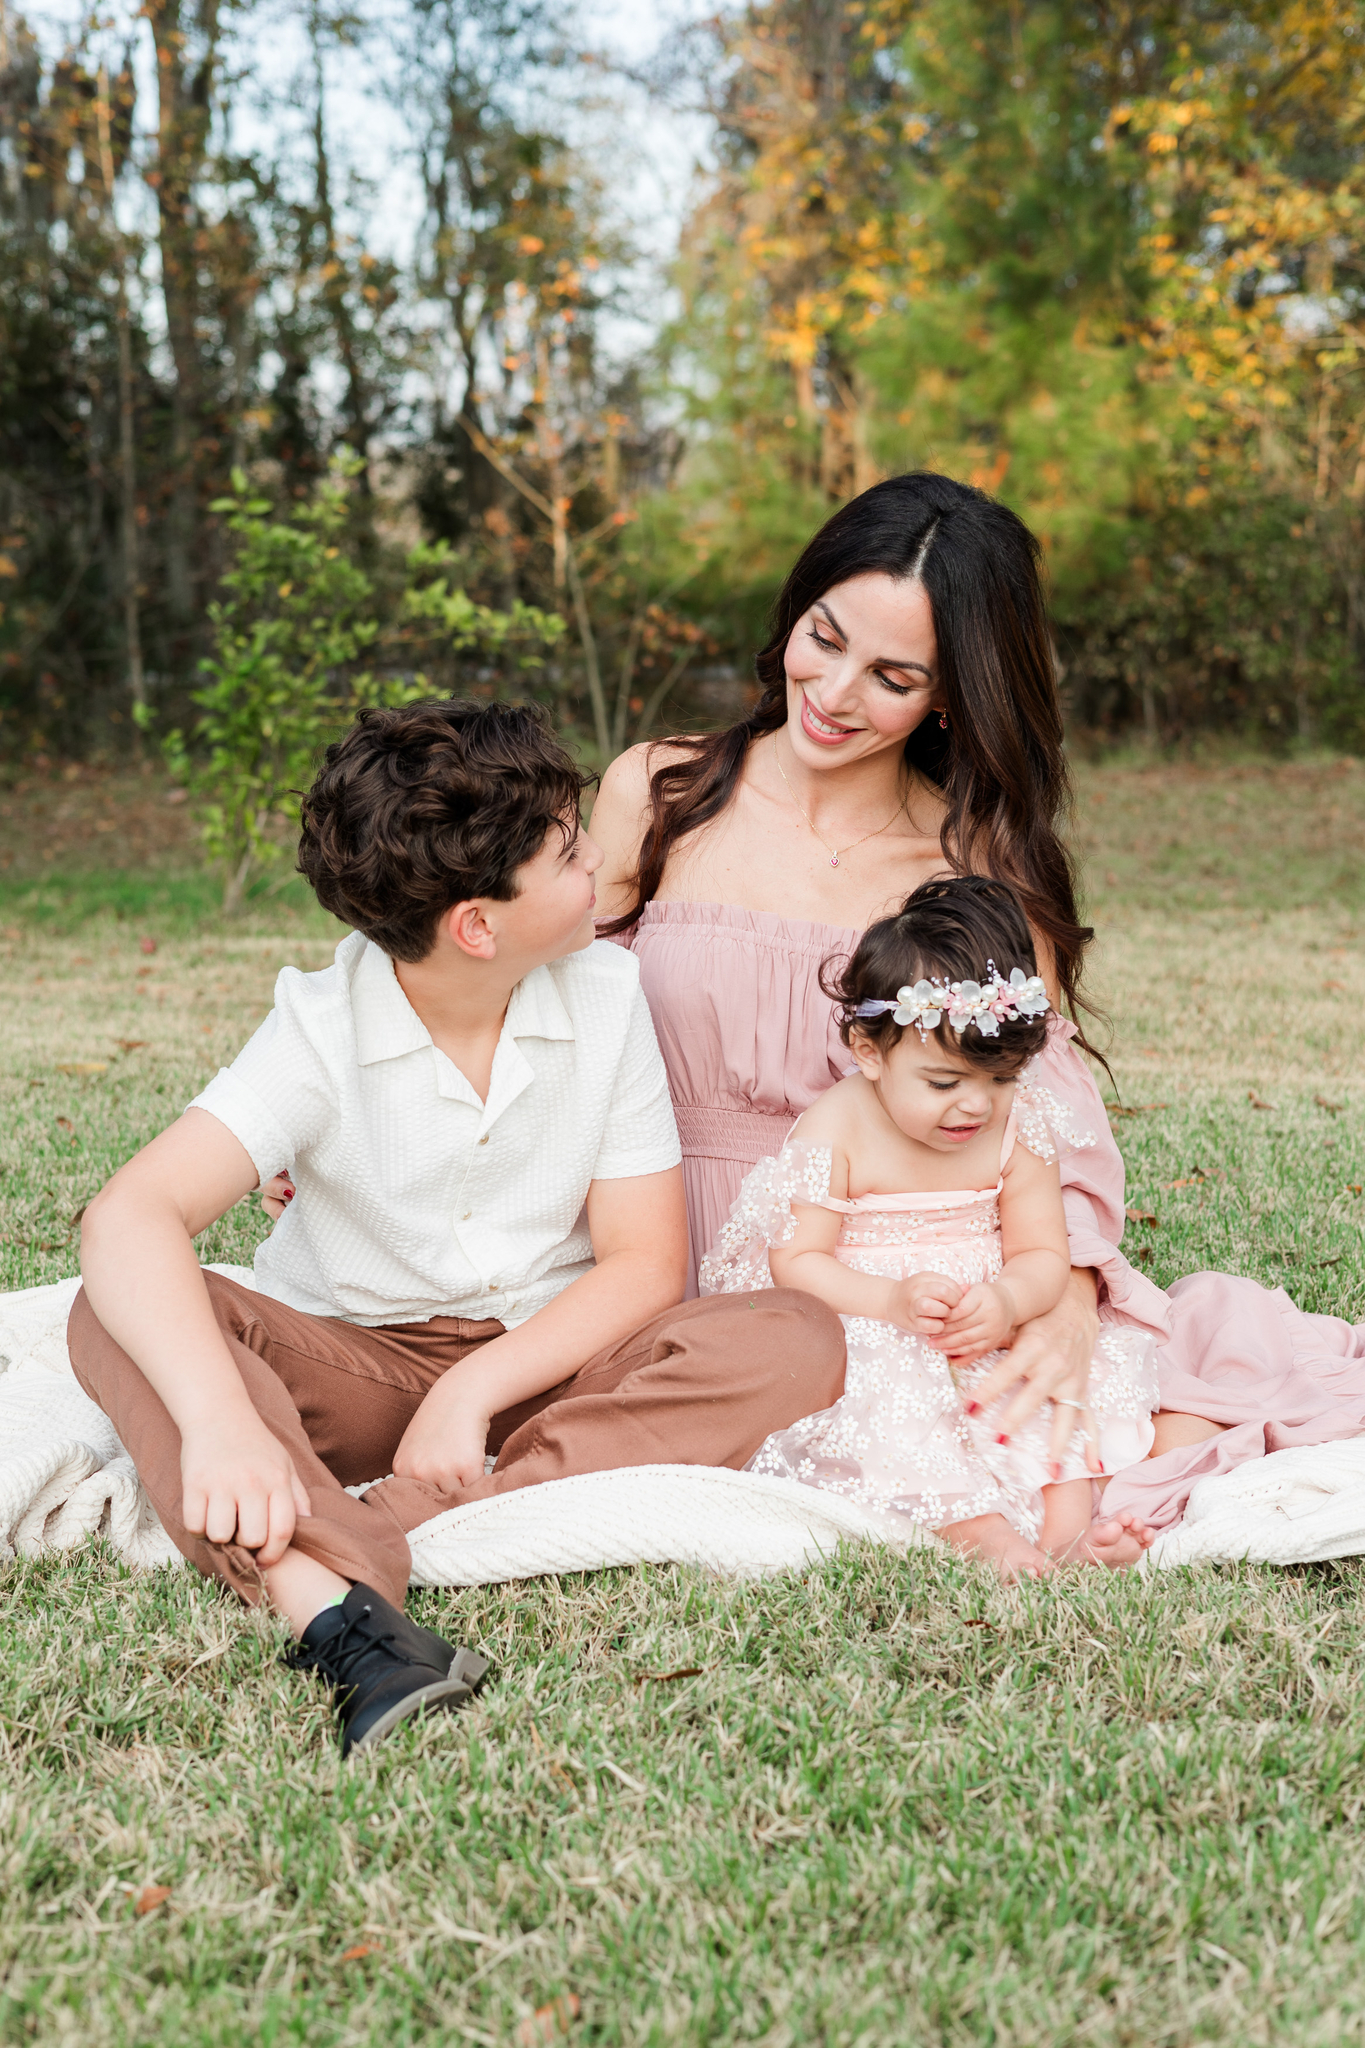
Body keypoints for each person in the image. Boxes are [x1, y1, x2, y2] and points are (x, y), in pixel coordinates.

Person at [68, 700, 845, 1756]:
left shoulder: (607, 993)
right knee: (117, 1313)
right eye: (570, 852)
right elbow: (128, 1213)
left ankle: (359, 1536)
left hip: (550, 1366)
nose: (596, 862)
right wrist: (219, 1422)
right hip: (357, 1354)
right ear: (479, 924)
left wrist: (468, 1391)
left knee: (793, 1334)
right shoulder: (323, 1023)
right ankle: (336, 1613)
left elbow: (646, 1261)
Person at [591, 471, 1365, 1526]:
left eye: (893, 676)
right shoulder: (663, 788)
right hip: (653, 1239)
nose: (835, 692)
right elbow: (535, 998)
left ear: (949, 693)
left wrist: (1073, 1294)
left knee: (1065, 1416)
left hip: (892, 1264)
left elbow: (1044, 1111)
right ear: (794, 610)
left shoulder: (968, 861)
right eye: (824, 637)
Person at [702, 877, 1160, 1575]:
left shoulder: (1020, 1122)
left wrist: (1009, 1300)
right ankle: (980, 1535)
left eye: (1000, 1079)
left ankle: (1070, 1537)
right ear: (868, 1050)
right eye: (943, 1083)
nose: (974, 1106)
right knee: (888, 1403)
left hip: (982, 1321)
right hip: (869, 1319)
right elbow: (797, 1262)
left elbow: (1041, 1248)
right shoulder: (837, 1127)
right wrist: (888, 1302)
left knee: (1051, 1400)